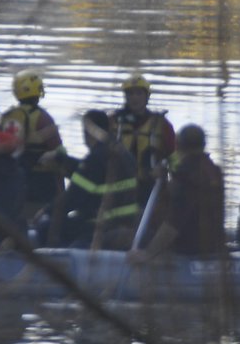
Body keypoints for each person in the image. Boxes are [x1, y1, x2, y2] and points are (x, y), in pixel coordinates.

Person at [62, 110, 140, 249]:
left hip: (99, 227)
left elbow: (72, 199)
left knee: (50, 227)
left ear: (87, 132)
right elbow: (94, 174)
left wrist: (46, 211)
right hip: (127, 223)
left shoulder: (94, 160)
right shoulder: (126, 155)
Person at [145, 124, 226, 257]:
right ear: (204, 144)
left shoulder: (186, 177)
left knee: (117, 236)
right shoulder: (214, 171)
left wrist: (148, 254)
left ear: (178, 146)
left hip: (186, 248)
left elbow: (173, 223)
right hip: (212, 244)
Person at [1, 69, 67, 216]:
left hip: (13, 179)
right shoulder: (43, 118)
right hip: (40, 183)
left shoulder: (6, 116)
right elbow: (59, 151)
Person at [111, 72, 176, 207]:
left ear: (147, 97)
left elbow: (174, 158)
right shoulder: (114, 123)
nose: (134, 98)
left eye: (139, 93)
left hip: (151, 186)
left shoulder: (161, 125)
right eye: (130, 94)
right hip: (120, 187)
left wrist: (169, 176)